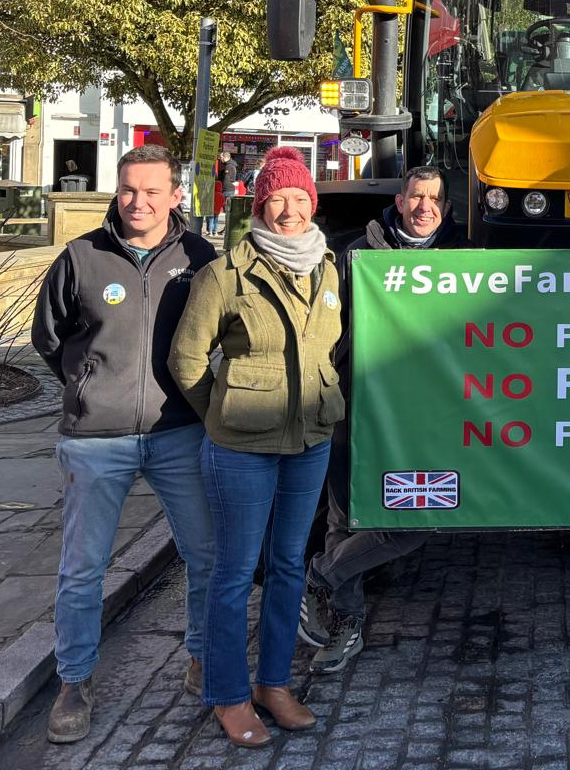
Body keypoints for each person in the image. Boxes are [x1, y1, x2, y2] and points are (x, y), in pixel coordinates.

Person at [30, 144, 219, 744]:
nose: (139, 202)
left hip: (177, 434)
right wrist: (90, 387)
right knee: (83, 570)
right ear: (118, 192)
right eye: (129, 190)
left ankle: (201, 659)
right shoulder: (81, 257)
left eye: (152, 191)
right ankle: (74, 681)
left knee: (207, 557)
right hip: (95, 440)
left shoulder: (198, 256)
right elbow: (49, 338)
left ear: (176, 195)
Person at [168, 146, 343, 748]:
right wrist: (223, 412)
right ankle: (228, 695)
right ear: (260, 203)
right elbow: (187, 359)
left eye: (300, 198)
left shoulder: (327, 268)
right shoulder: (225, 274)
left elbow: (327, 349)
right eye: (278, 198)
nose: (290, 210)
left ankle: (274, 684)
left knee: (291, 566)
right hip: (241, 447)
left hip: (310, 440)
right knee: (234, 571)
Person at [297, 165, 468, 673]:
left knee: (419, 518)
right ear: (399, 200)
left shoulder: (463, 260)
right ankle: (345, 625)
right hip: (358, 408)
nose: (425, 208)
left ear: (447, 208)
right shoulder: (356, 255)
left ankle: (319, 576)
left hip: (425, 418)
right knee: (345, 517)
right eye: (417, 197)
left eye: (435, 199)